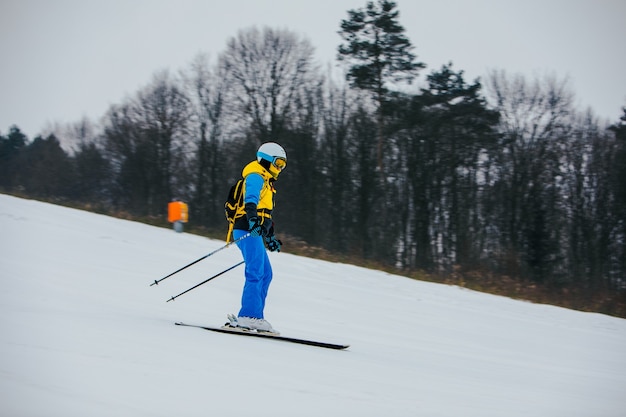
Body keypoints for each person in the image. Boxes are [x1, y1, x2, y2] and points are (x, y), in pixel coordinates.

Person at [227, 142, 286, 334]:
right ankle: (249, 316)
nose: (279, 169)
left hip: (253, 231)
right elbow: (250, 201)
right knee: (255, 271)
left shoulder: (268, 183)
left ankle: (255, 316)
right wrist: (252, 221)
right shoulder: (255, 176)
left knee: (266, 273)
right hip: (246, 228)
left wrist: (270, 237)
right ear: (266, 160)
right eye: (278, 163)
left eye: (282, 165)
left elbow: (265, 216)